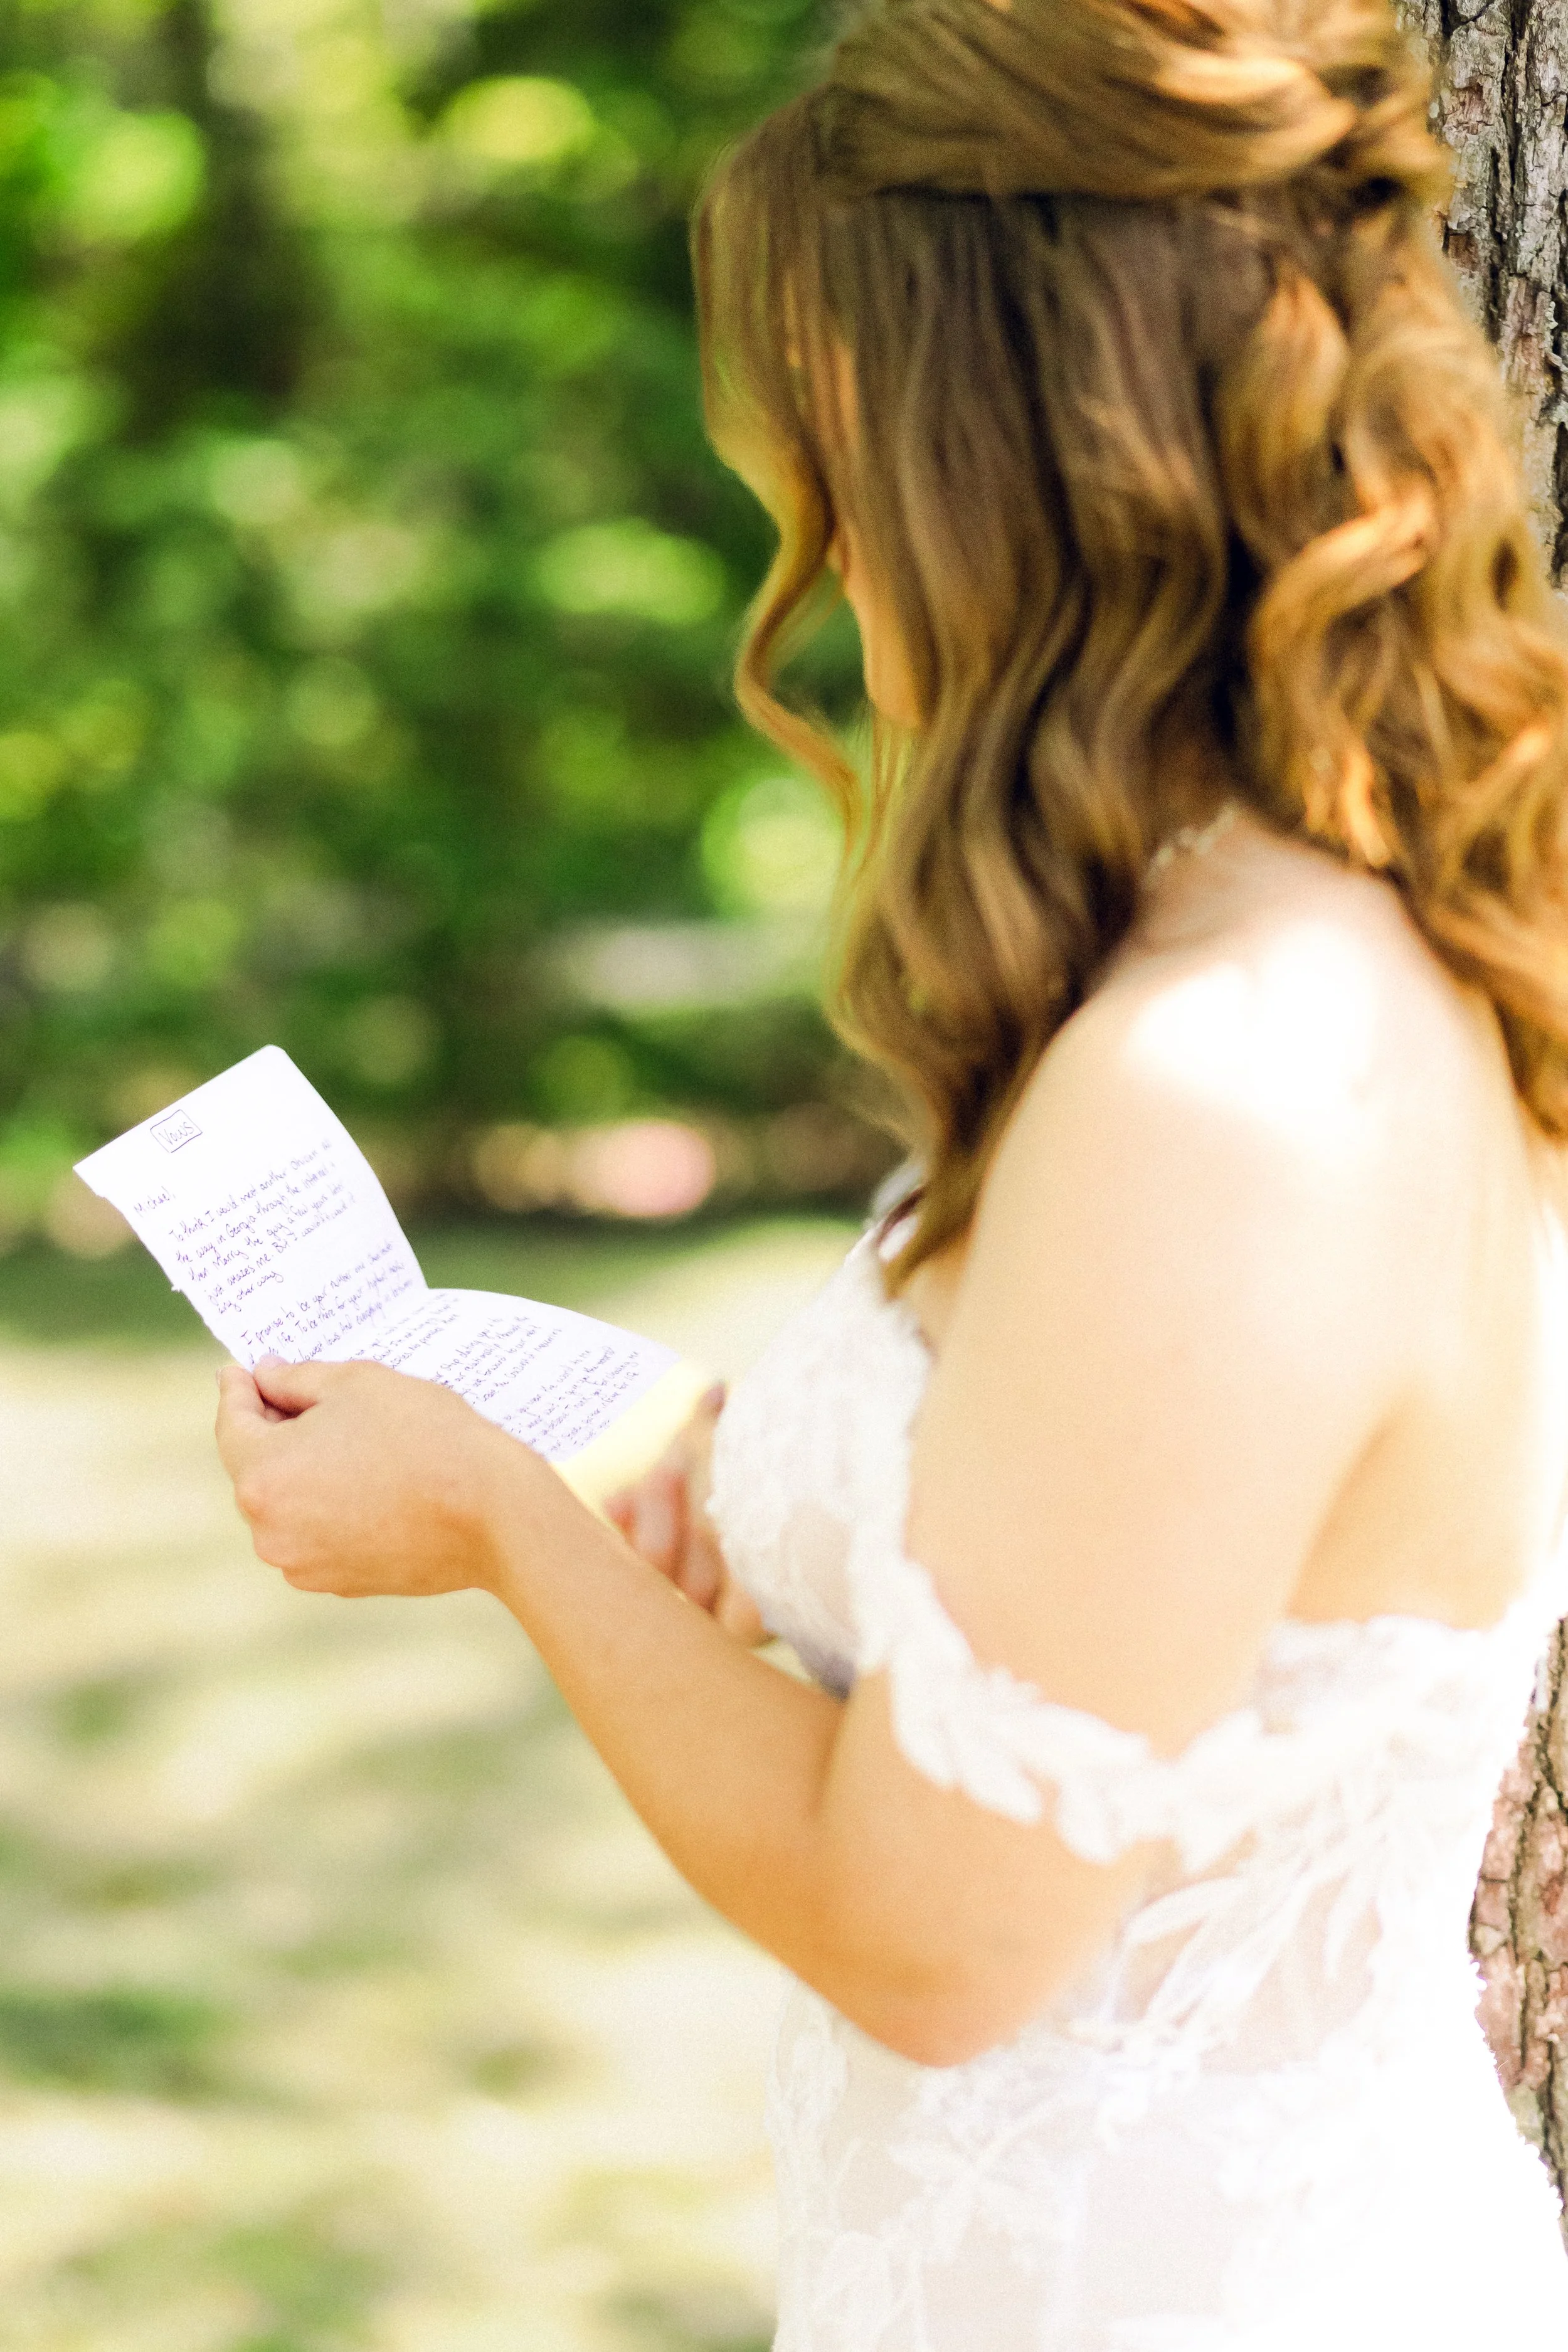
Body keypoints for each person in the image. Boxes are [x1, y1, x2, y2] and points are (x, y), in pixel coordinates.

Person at [215, 0, 1568, 2341]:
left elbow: (941, 1941)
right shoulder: (1275, 941)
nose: (824, 572)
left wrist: (509, 1532)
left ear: (992, 458)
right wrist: (736, 1482)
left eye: (829, 471)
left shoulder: (1226, 1077)